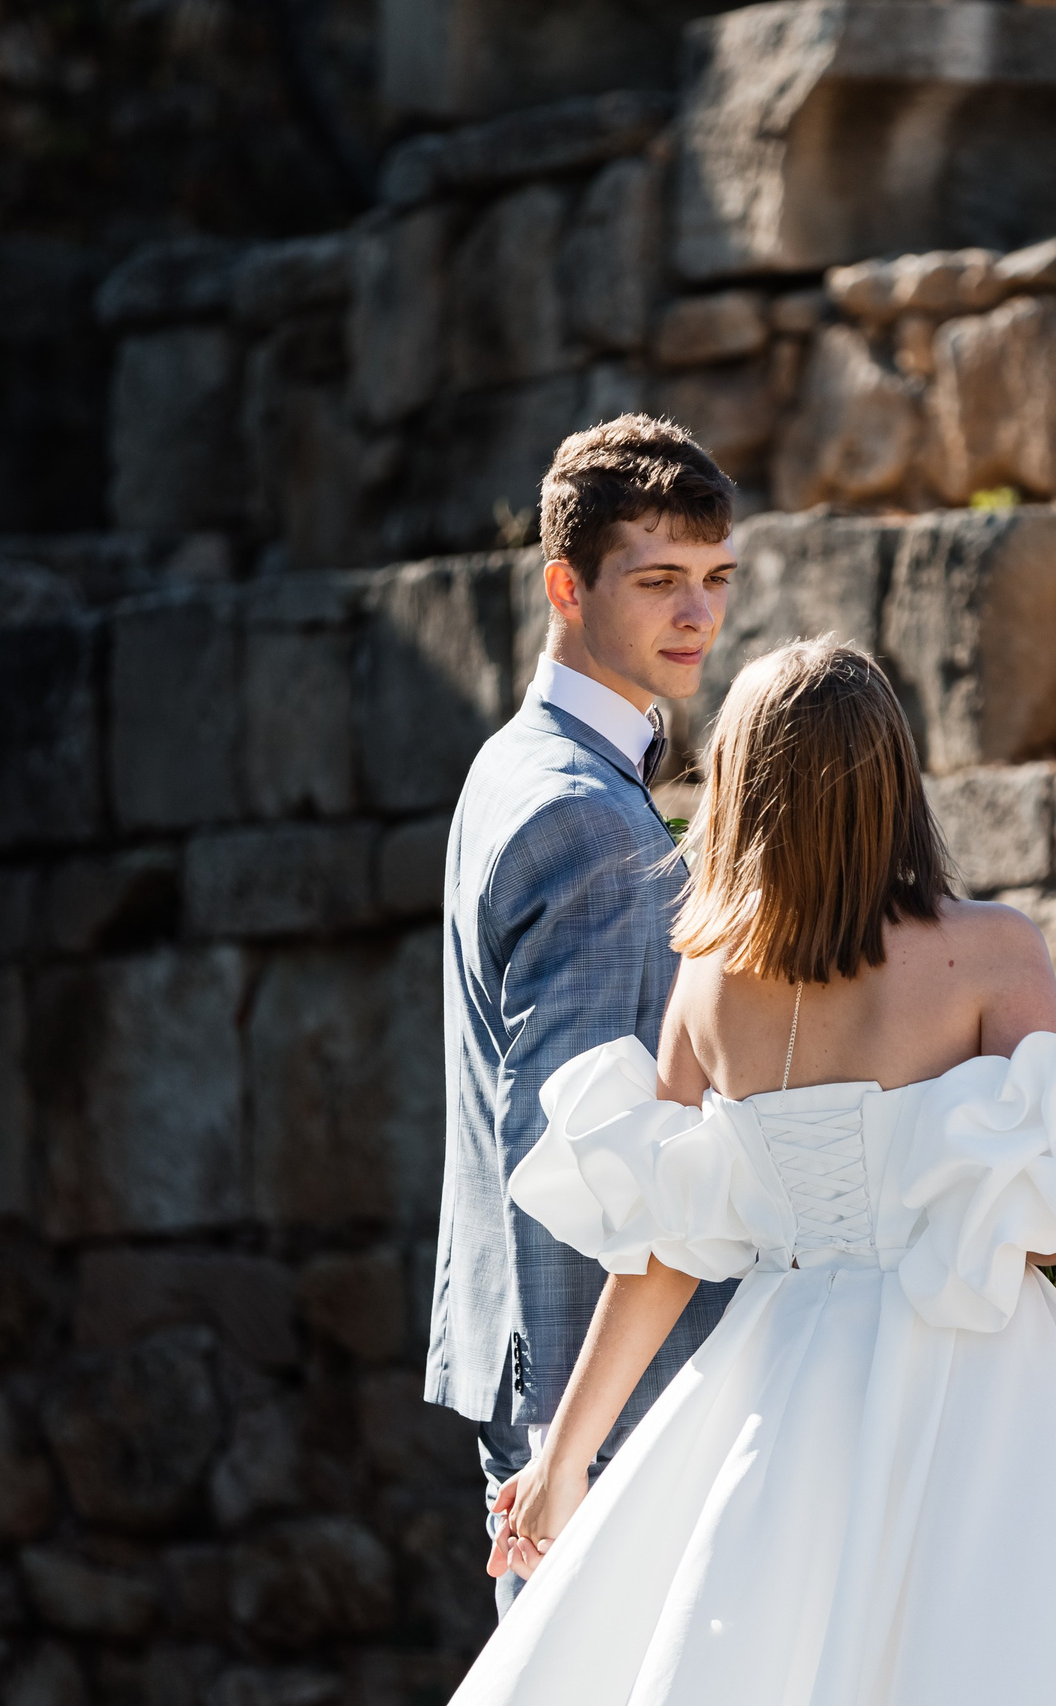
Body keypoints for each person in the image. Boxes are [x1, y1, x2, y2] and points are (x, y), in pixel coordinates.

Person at [456, 638, 1056, 1704]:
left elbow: (661, 1248)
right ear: (894, 782)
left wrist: (565, 1456)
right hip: (982, 1374)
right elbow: (1050, 1229)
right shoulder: (990, 951)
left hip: (783, 1362)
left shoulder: (707, 984)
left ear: (740, 790)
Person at [424, 415, 741, 1618]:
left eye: (715, 581)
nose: (696, 616)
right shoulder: (593, 827)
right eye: (658, 580)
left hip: (542, 1372)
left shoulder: (513, 762)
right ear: (566, 584)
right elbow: (578, 1172)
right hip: (596, 1389)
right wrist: (576, 1448)